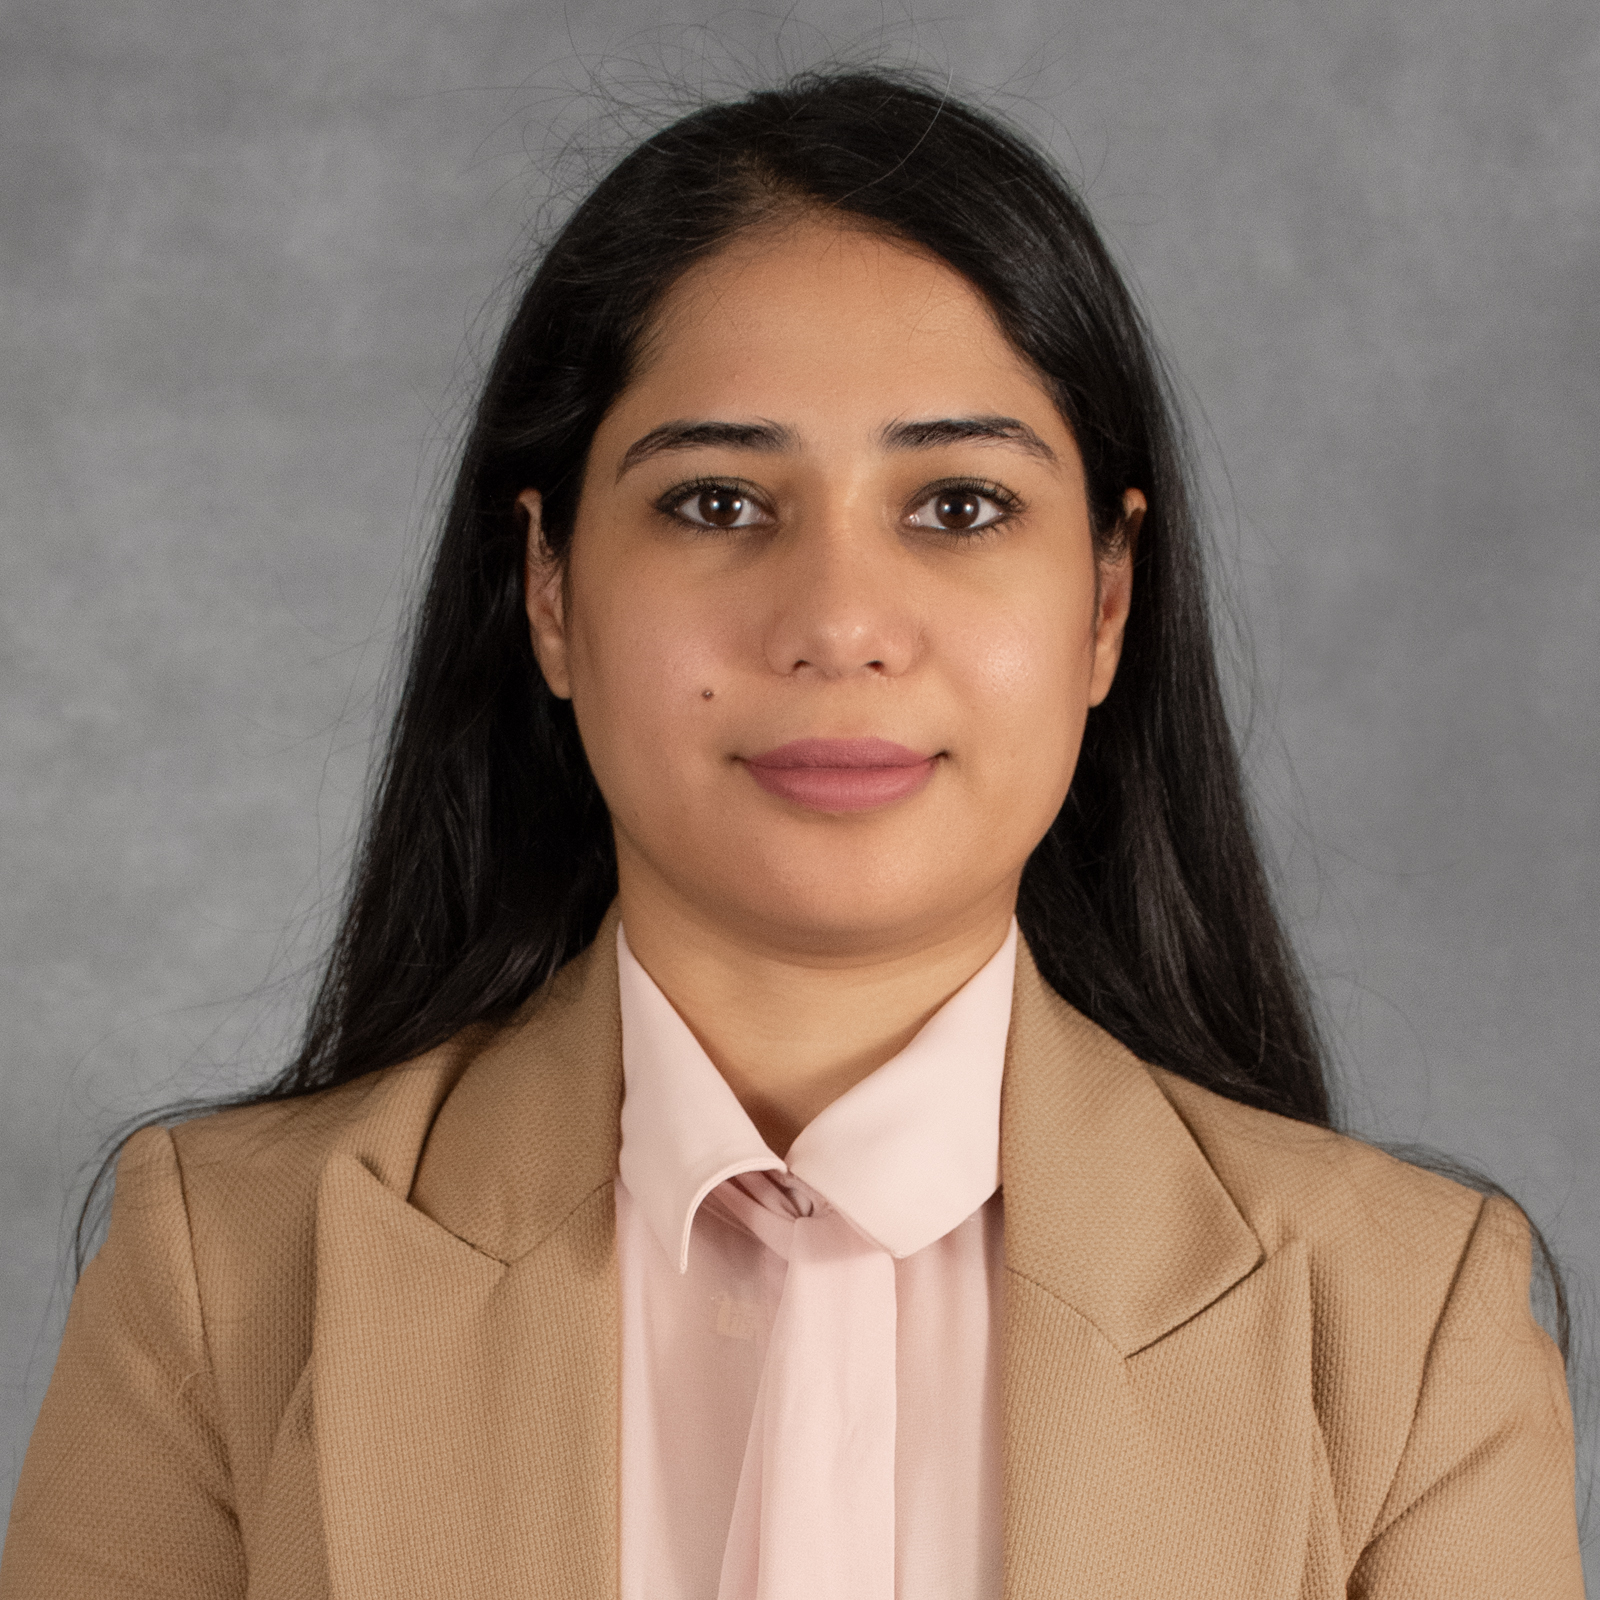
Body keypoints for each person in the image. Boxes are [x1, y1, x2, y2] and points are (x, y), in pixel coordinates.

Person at [0, 67, 1581, 1600]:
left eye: (958, 504)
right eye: (715, 503)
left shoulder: (1400, 1325)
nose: (836, 622)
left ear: (1108, 599)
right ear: (549, 587)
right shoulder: (229, 1274)